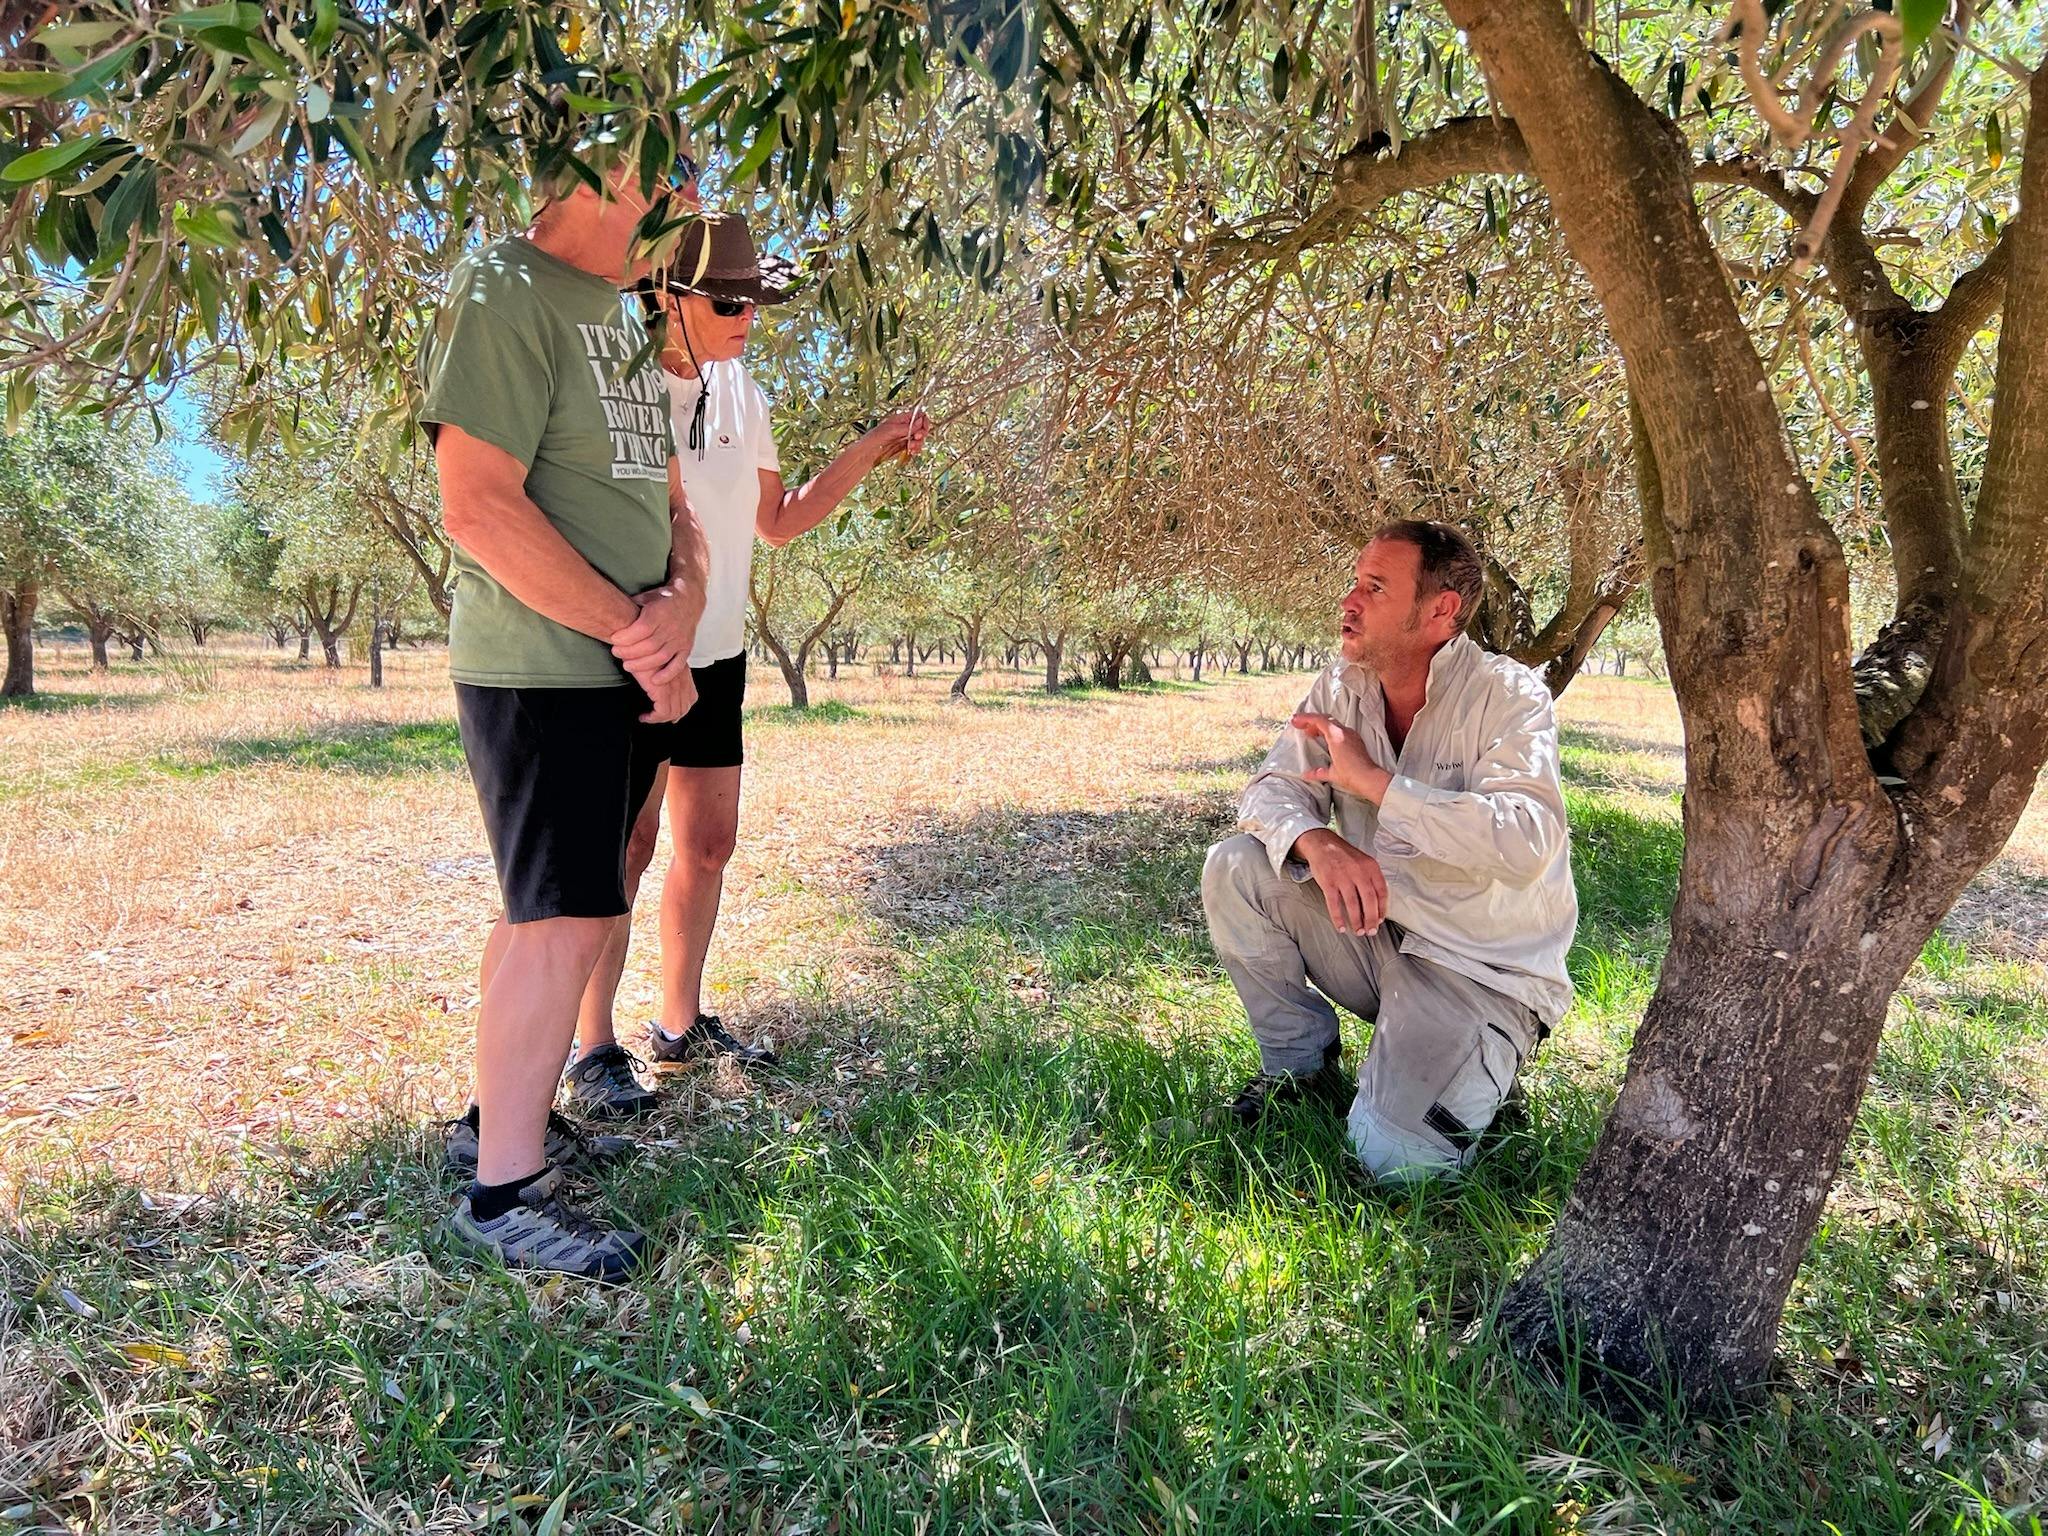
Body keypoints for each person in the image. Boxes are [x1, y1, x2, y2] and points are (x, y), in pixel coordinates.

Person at [558, 211, 931, 1119]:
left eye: (754, 301)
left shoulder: (742, 393)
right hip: (641, 654)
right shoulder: (624, 387)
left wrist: (871, 447)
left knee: (709, 845)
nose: (746, 317)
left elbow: (780, 520)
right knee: (627, 848)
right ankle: (591, 1048)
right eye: (727, 302)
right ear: (667, 297)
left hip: (719, 655)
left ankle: (677, 1025)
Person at [419, 151, 709, 1280]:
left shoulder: (624, 319)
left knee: (558, 911)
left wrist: (680, 604)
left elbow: (676, 512)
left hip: (616, 669)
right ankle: (504, 1195)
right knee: (562, 920)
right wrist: (638, 633)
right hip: (542, 668)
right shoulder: (503, 288)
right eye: (673, 172)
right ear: (599, 167)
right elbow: (477, 508)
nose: (687, 202)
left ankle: (498, 1121)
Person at [1200, 520, 1578, 1181]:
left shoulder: (1508, 694)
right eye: (1355, 582)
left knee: (1394, 1166)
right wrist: (1318, 841)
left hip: (1479, 972)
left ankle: (1483, 1069)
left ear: (1440, 610)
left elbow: (1526, 839)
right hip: (1380, 936)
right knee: (1237, 867)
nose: (1349, 602)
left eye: (1375, 588)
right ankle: (1300, 1073)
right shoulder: (1341, 686)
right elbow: (1269, 791)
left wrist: (1376, 784)